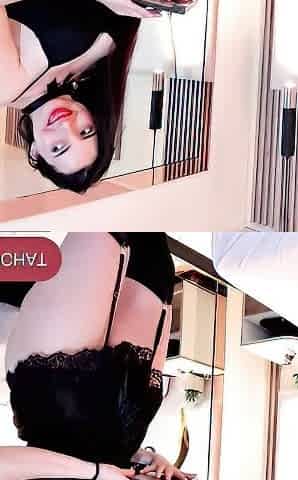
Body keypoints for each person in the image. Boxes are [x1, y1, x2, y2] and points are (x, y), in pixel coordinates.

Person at [0, 233, 190, 480]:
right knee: (154, 253)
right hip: (128, 412)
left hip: (57, 395)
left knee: (107, 224)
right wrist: (142, 457)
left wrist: (96, 472)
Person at [0, 0, 159, 193]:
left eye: (58, 147)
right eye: (85, 131)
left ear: (35, 152)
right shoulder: (100, 66)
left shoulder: (6, 86)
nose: (67, 125)